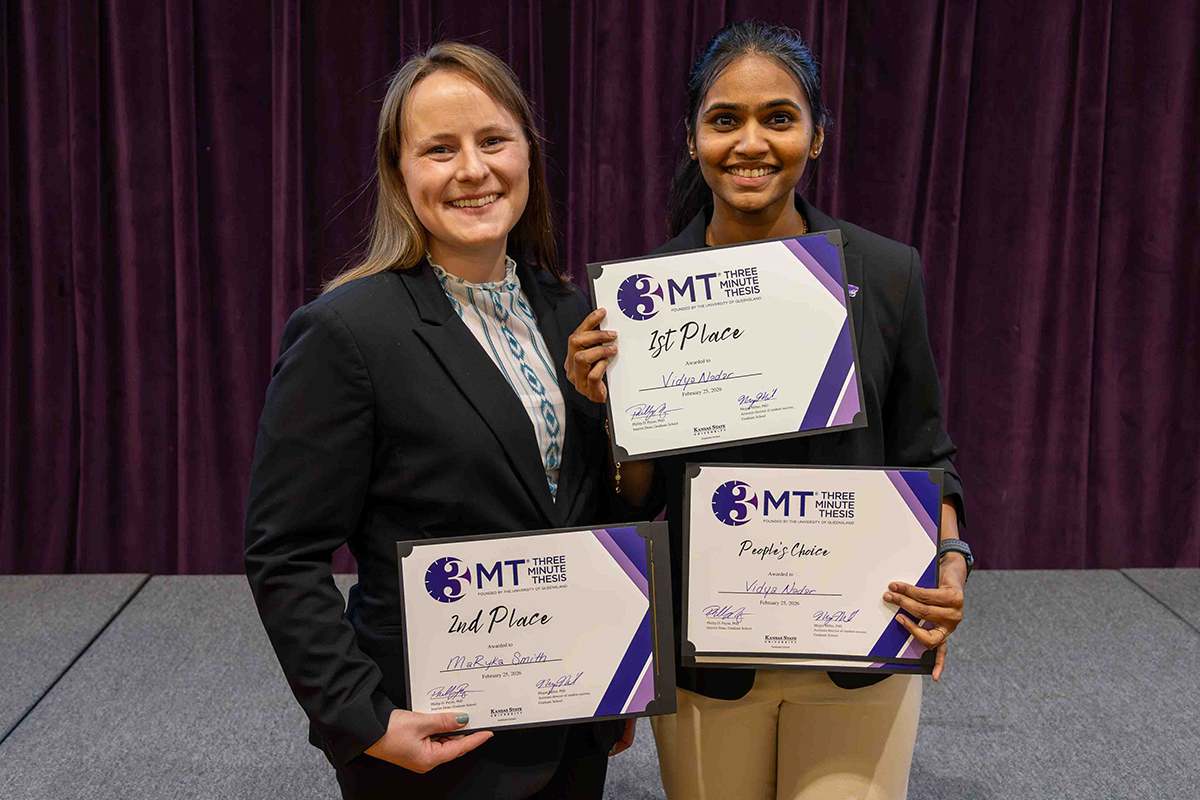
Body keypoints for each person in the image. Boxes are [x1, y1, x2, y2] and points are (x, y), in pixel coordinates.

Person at [565, 20, 972, 800]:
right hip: (707, 661)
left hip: (862, 640)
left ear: (815, 137)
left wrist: (952, 565)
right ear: (692, 140)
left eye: (778, 118)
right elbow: (636, 498)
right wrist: (617, 419)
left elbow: (928, 452)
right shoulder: (637, 300)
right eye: (725, 120)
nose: (750, 142)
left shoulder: (886, 274)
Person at [244, 42, 643, 800]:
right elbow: (284, 553)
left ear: (529, 153)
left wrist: (620, 669)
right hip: (432, 747)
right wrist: (363, 722)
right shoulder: (346, 331)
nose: (472, 170)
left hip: (574, 724)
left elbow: (588, 516)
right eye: (439, 149)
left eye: (493, 140)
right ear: (400, 173)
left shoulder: (575, 315)